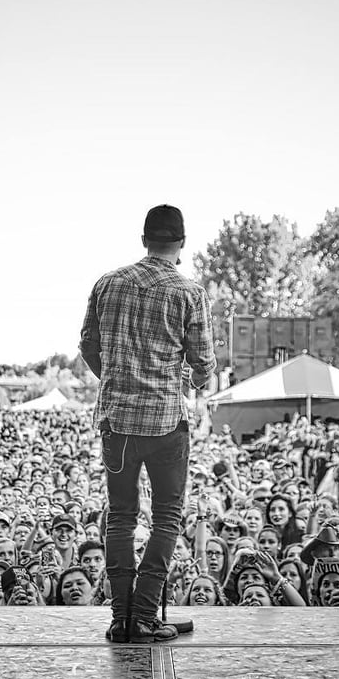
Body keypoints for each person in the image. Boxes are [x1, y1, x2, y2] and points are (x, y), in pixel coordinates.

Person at [80, 204, 216, 643]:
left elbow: (87, 345)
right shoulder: (189, 293)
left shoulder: (107, 283)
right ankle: (144, 615)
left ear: (143, 240)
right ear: (181, 244)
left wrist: (118, 379)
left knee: (120, 518)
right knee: (167, 518)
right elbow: (203, 363)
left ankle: (120, 619)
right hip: (165, 427)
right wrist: (192, 379)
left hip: (118, 423)